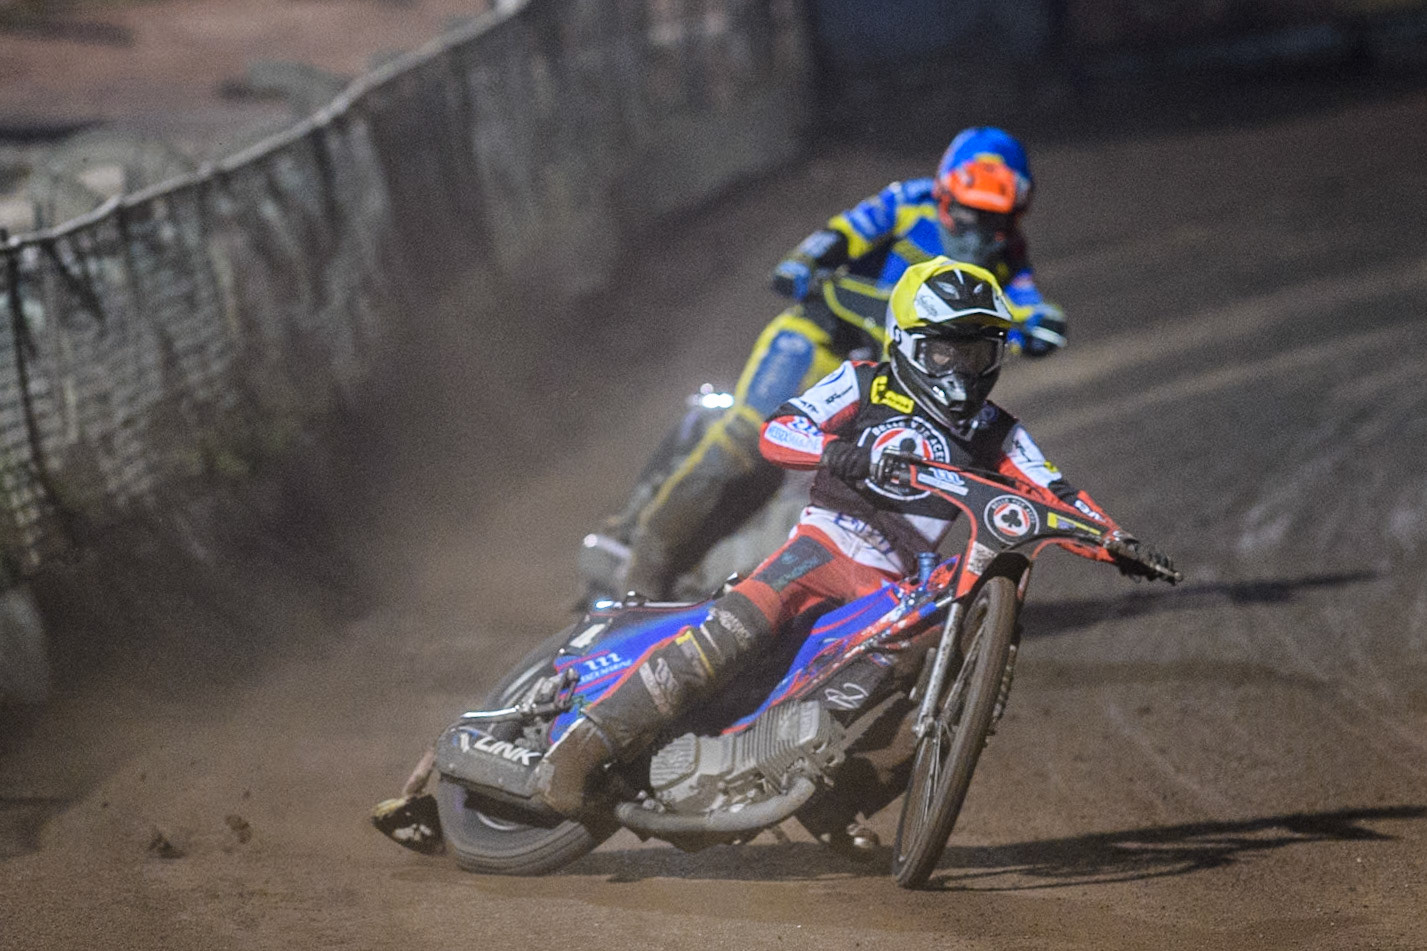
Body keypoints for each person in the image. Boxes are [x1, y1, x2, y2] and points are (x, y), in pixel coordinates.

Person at [535, 257, 1171, 818]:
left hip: (894, 584)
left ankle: (840, 803)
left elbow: (1056, 494)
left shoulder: (998, 432)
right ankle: (582, 746)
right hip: (822, 547)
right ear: (908, 345)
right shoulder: (867, 381)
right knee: (736, 630)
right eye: (947, 351)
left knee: (926, 672)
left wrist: (1116, 540)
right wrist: (838, 452)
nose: (963, 371)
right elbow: (779, 431)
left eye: (979, 353)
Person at [616, 126, 1068, 600]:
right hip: (823, 336)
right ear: (943, 194)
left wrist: (1045, 324)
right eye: (966, 214)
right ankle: (645, 562)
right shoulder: (907, 202)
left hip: (892, 376)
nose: (977, 234)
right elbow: (846, 231)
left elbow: (1026, 300)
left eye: (992, 222)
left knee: (855, 483)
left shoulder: (1009, 251)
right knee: (746, 437)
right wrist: (802, 264)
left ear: (1015, 215)